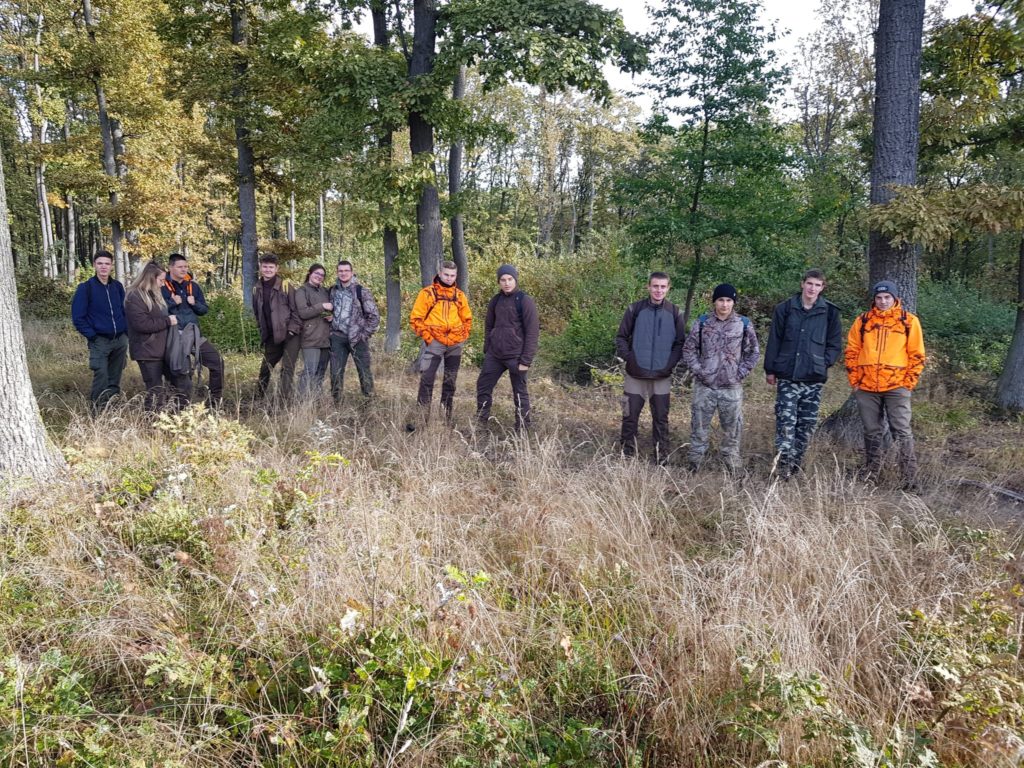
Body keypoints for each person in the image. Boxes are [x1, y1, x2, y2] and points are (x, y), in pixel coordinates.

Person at [763, 269, 844, 479]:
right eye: (809, 284)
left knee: (806, 426)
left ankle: (796, 466)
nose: (812, 289)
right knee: (786, 424)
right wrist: (770, 369)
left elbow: (834, 344)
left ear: (822, 288)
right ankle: (782, 470)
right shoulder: (785, 309)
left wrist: (824, 362)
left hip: (813, 379)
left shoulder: (830, 312)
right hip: (788, 376)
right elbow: (774, 340)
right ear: (802, 284)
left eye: (817, 285)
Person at [845, 280, 926, 490]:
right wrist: (855, 381)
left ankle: (910, 479)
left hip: (897, 386)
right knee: (871, 431)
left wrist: (908, 383)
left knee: (901, 431)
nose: (882, 301)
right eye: (879, 298)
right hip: (867, 387)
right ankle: (872, 473)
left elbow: (917, 355)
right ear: (874, 299)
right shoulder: (863, 321)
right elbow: (852, 351)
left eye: (887, 297)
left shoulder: (908, 321)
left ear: (895, 298)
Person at [682, 283, 760, 473]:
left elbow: (753, 352)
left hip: (731, 388)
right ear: (715, 301)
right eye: (721, 300)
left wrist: (739, 373)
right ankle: (695, 462)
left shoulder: (743, 324)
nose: (724, 304)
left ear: (733, 303)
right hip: (705, 386)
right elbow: (689, 349)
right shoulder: (702, 322)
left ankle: (731, 461)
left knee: (732, 428)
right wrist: (699, 371)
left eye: (728, 300)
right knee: (699, 426)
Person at [614, 272, 686, 461]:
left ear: (668, 288)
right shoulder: (634, 309)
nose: (658, 290)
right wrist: (630, 358)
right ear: (648, 287)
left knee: (661, 418)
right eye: (655, 286)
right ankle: (627, 455)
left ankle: (661, 456)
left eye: (663, 287)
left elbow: (680, 343)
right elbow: (621, 337)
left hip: (662, 376)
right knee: (629, 417)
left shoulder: (675, 312)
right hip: (635, 375)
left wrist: (670, 363)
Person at [476, 264, 539, 430]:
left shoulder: (524, 301)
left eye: (510, 279)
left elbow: (532, 332)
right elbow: (489, 325)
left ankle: (523, 429)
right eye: (503, 280)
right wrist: (487, 349)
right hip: (495, 355)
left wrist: (526, 360)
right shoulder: (495, 301)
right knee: (483, 386)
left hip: (516, 356)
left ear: (515, 280)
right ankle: (481, 423)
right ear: (498, 282)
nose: (507, 283)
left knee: (520, 393)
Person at [409, 260, 473, 420]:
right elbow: (416, 319)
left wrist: (462, 337)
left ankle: (446, 418)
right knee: (427, 380)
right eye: (446, 275)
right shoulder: (427, 294)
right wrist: (429, 338)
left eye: (452, 275)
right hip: (434, 342)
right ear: (440, 273)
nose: (449, 278)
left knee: (450, 382)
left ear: (456, 276)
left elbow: (468, 320)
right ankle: (421, 419)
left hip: (455, 344)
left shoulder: (459, 296)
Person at [161, 253, 225, 404]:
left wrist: (194, 303)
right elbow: (157, 310)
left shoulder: (193, 286)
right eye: (180, 267)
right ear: (171, 268)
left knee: (217, 362)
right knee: (180, 371)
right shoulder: (162, 286)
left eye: (185, 266)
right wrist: (172, 303)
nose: (184, 270)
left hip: (194, 334)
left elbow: (204, 310)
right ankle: (179, 405)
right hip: (174, 335)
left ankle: (214, 402)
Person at [124, 261, 189, 410]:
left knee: (180, 383)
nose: (162, 284)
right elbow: (141, 324)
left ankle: (177, 419)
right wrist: (167, 321)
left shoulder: (154, 294)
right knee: (155, 392)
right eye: (160, 280)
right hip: (147, 351)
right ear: (151, 278)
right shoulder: (134, 296)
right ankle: (151, 426)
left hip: (163, 350)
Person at [71, 250, 128, 409]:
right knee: (101, 375)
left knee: (115, 376)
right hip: (100, 340)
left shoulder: (117, 286)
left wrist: (126, 334)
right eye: (100, 263)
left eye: (107, 264)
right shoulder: (86, 288)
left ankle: (112, 406)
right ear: (95, 265)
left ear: (112, 266)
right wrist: (93, 336)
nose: (103, 267)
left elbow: (124, 311)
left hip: (120, 340)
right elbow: (78, 317)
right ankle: (97, 411)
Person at [251, 253, 301, 401]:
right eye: (265, 267)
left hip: (290, 335)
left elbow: (296, 311)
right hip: (272, 337)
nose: (268, 270)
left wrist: (292, 330)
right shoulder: (257, 288)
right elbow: (257, 313)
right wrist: (263, 331)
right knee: (265, 368)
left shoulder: (285, 286)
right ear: (260, 267)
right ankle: (258, 399)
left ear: (276, 268)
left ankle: (282, 400)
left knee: (287, 369)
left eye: (271, 267)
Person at [329, 260, 380, 401]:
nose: (343, 273)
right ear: (337, 272)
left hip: (358, 339)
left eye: (346, 270)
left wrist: (363, 335)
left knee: (364, 372)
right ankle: (336, 403)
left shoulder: (361, 291)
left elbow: (374, 317)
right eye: (340, 271)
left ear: (352, 272)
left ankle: (368, 402)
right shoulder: (333, 290)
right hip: (337, 338)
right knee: (335, 373)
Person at [292, 263, 333, 396]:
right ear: (309, 273)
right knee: (310, 371)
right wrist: (322, 306)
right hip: (310, 338)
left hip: (326, 338)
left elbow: (330, 309)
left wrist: (331, 316)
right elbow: (303, 313)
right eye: (317, 273)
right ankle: (302, 400)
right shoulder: (302, 291)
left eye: (322, 275)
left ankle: (315, 398)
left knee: (321, 371)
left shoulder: (324, 291)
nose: (319, 277)